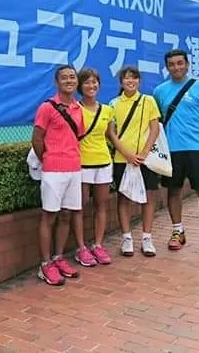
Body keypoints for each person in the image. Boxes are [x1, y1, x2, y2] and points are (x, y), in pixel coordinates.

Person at [153, 49, 199, 254]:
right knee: (173, 191)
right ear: (167, 67)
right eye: (171, 64)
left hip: (197, 148)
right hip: (171, 151)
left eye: (180, 63)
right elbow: (155, 121)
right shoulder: (159, 91)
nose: (176, 67)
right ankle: (178, 231)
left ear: (187, 64)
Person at [74, 67, 135, 266]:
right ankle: (81, 248)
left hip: (103, 163)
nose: (91, 86)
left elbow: (112, 136)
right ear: (80, 86)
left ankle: (98, 245)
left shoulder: (107, 110)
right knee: (79, 207)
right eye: (87, 82)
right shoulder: (74, 109)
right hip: (81, 165)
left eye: (95, 82)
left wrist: (128, 154)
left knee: (101, 206)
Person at [31, 65, 86, 286]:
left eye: (72, 77)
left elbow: (77, 137)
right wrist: (48, 159)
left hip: (74, 169)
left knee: (66, 215)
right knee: (49, 216)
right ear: (57, 82)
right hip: (53, 170)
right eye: (64, 78)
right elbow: (37, 139)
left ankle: (58, 257)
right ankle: (45, 265)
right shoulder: (46, 107)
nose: (69, 81)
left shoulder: (78, 108)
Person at [110, 65, 163, 257]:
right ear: (121, 82)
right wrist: (128, 155)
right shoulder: (113, 104)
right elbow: (111, 133)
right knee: (123, 197)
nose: (130, 81)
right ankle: (127, 238)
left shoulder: (148, 101)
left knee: (148, 197)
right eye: (126, 78)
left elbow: (155, 128)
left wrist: (144, 153)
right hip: (121, 159)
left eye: (134, 78)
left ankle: (147, 238)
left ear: (139, 81)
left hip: (145, 160)